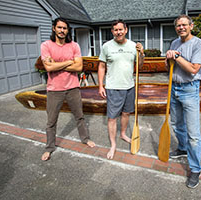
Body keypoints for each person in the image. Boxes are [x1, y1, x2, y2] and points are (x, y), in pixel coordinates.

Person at [40, 17, 95, 161]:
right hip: (54, 89)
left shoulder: (74, 46)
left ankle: (85, 139)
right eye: (59, 27)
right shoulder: (46, 45)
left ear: (67, 30)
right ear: (54, 28)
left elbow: (79, 67)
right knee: (51, 121)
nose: (62, 30)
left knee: (80, 116)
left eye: (64, 28)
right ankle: (49, 148)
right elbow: (48, 67)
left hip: (73, 88)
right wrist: (70, 61)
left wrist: (57, 64)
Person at [166, 15, 201, 188]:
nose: (181, 28)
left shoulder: (199, 44)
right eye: (178, 25)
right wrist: (169, 59)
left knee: (193, 134)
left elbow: (193, 69)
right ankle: (182, 148)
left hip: (190, 89)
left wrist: (176, 57)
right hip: (174, 88)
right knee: (176, 124)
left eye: (184, 25)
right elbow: (169, 67)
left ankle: (195, 169)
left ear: (191, 26)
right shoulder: (174, 43)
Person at [98, 19, 144, 160]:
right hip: (113, 87)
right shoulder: (106, 47)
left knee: (126, 113)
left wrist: (141, 54)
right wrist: (101, 85)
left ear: (126, 30)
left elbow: (140, 66)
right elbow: (101, 66)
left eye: (120, 29)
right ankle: (113, 145)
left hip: (129, 86)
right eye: (115, 30)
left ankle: (123, 133)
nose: (118, 32)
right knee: (112, 118)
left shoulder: (133, 46)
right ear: (112, 31)